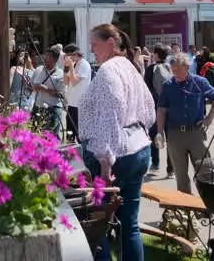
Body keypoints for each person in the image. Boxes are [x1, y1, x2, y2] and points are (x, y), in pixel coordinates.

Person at [79, 24, 155, 261]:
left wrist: (106, 161)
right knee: (129, 223)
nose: (91, 49)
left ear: (111, 43)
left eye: (94, 44)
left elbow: (111, 115)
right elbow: (149, 110)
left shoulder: (108, 70)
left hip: (115, 154)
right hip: (138, 148)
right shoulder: (129, 68)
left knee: (97, 223)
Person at [156, 52, 214, 194]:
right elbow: (161, 110)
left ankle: (208, 206)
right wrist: (159, 132)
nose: (175, 73)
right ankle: (186, 210)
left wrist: (209, 118)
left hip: (196, 133)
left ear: (187, 67)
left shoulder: (199, 82)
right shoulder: (168, 85)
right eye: (173, 70)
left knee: (205, 172)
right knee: (181, 176)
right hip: (175, 134)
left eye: (178, 70)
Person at [144, 45, 174, 177]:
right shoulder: (170, 68)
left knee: (155, 134)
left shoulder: (151, 69)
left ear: (156, 55)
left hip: (156, 107)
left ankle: (155, 164)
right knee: (170, 138)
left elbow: (146, 89)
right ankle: (171, 169)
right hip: (170, 107)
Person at [31, 48, 67, 138]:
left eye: (48, 57)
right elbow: (32, 86)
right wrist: (33, 87)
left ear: (55, 59)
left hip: (53, 109)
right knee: (36, 136)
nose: (45, 59)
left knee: (52, 137)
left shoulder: (60, 74)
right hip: (38, 108)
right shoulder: (38, 70)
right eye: (45, 56)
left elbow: (62, 95)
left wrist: (45, 89)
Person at [63, 43, 93, 142]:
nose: (66, 58)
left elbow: (75, 81)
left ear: (74, 54)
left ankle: (83, 156)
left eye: (68, 55)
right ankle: (70, 155)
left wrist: (71, 66)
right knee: (69, 135)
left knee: (80, 135)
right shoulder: (75, 65)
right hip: (71, 104)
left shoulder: (84, 64)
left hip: (79, 105)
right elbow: (66, 82)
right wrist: (66, 68)